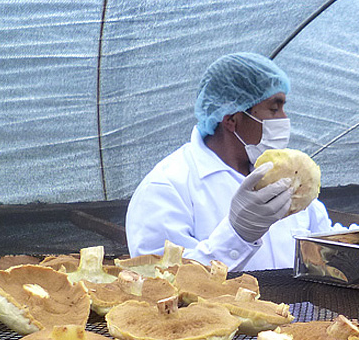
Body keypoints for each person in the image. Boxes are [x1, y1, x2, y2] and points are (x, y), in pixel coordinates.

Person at [125, 52, 333, 271]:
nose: (284, 119)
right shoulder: (166, 187)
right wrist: (238, 235)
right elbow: (161, 277)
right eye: (274, 108)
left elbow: (324, 242)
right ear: (232, 119)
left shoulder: (284, 176)